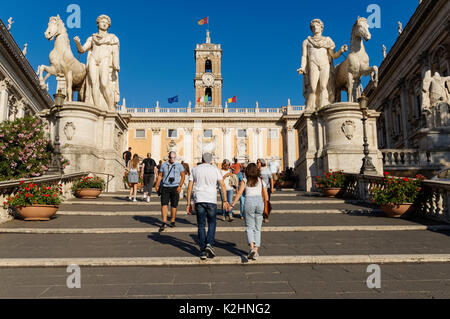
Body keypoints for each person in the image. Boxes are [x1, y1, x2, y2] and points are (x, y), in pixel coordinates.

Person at [186, 153, 230, 260]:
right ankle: (209, 244)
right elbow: (222, 185)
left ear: (202, 160)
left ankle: (202, 251)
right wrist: (225, 200)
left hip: (199, 199)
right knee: (212, 223)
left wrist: (188, 203)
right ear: (211, 161)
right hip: (211, 199)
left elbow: (190, 187)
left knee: (201, 225)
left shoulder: (195, 169)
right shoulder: (215, 169)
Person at [232, 163, 268, 260]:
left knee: (249, 227)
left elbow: (239, 193)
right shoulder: (261, 180)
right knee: (258, 228)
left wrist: (233, 204)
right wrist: (266, 204)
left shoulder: (245, 180)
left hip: (249, 202)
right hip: (259, 202)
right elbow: (265, 194)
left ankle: (252, 248)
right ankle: (256, 250)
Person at [155, 151, 185, 231]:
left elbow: (183, 176)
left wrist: (180, 186)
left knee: (174, 205)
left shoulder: (179, 165)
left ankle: (172, 220)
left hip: (175, 187)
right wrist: (157, 185)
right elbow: (160, 175)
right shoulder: (164, 165)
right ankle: (164, 221)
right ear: (168, 157)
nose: (172, 159)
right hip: (165, 186)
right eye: (171, 157)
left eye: (174, 157)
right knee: (164, 204)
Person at [257, 158, 274, 223]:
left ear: (261, 163)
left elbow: (271, 179)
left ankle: (266, 216)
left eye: (258, 162)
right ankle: (260, 215)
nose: (257, 163)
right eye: (257, 162)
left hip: (267, 188)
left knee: (266, 202)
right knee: (260, 202)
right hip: (259, 188)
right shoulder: (257, 170)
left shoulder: (267, 170)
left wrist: (272, 188)